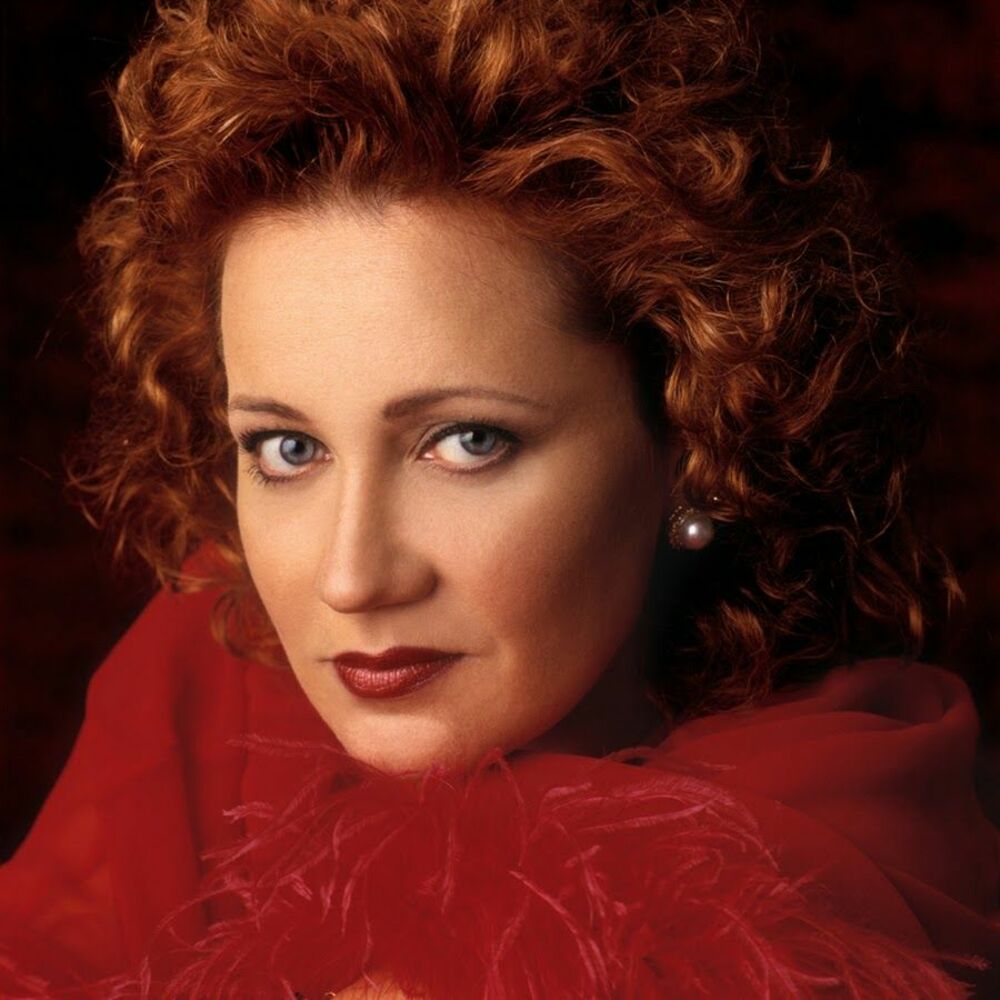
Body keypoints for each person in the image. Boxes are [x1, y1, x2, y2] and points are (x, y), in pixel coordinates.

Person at [1, 0, 998, 996]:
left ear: (694, 435)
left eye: (467, 442)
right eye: (289, 448)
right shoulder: (214, 669)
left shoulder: (818, 860)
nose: (350, 579)